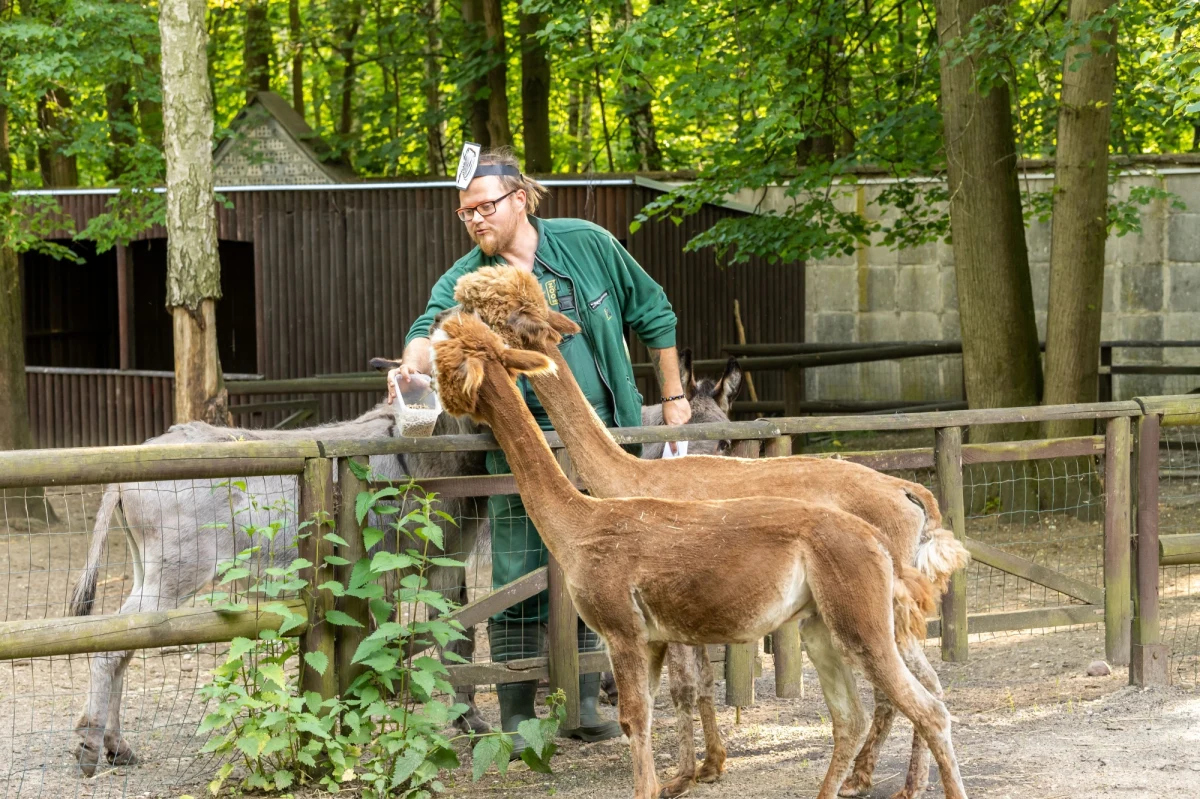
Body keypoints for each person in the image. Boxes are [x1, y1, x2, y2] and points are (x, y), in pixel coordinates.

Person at [389, 146, 690, 755]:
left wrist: (675, 396)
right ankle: (518, 718)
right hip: (521, 456)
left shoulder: (588, 244)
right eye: (464, 212)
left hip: (609, 444)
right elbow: (428, 332)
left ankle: (582, 706)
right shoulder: (464, 279)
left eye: (484, 207)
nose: (475, 220)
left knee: (601, 571)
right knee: (519, 572)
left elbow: (654, 311)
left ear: (519, 199)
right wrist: (410, 368)